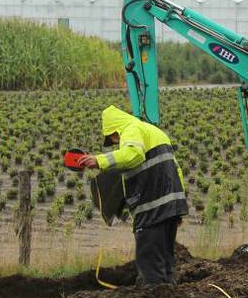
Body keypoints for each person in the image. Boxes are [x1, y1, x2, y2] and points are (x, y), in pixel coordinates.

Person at [79, 105, 188, 284]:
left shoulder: (131, 129)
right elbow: (177, 170)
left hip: (151, 210)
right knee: (165, 265)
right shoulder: (154, 132)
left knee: (150, 266)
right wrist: (178, 208)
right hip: (169, 208)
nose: (116, 142)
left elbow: (133, 154)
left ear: (114, 130)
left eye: (113, 139)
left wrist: (99, 160)